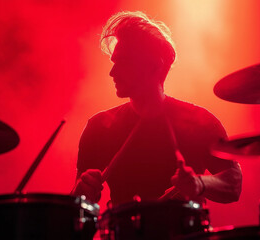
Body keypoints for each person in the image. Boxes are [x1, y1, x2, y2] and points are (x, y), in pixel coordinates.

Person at [72, 11, 242, 206]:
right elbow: (76, 213)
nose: (113, 72)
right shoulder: (99, 128)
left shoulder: (199, 121)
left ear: (154, 66)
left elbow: (234, 183)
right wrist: (80, 194)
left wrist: (199, 183)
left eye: (123, 62)